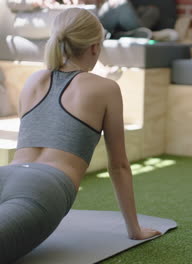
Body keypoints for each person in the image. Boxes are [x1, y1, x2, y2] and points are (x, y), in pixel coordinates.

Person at [0, 8, 160, 263]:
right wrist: (134, 230)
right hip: (43, 190)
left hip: (6, 173)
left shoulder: (34, 80)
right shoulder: (105, 88)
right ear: (95, 47)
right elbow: (118, 166)